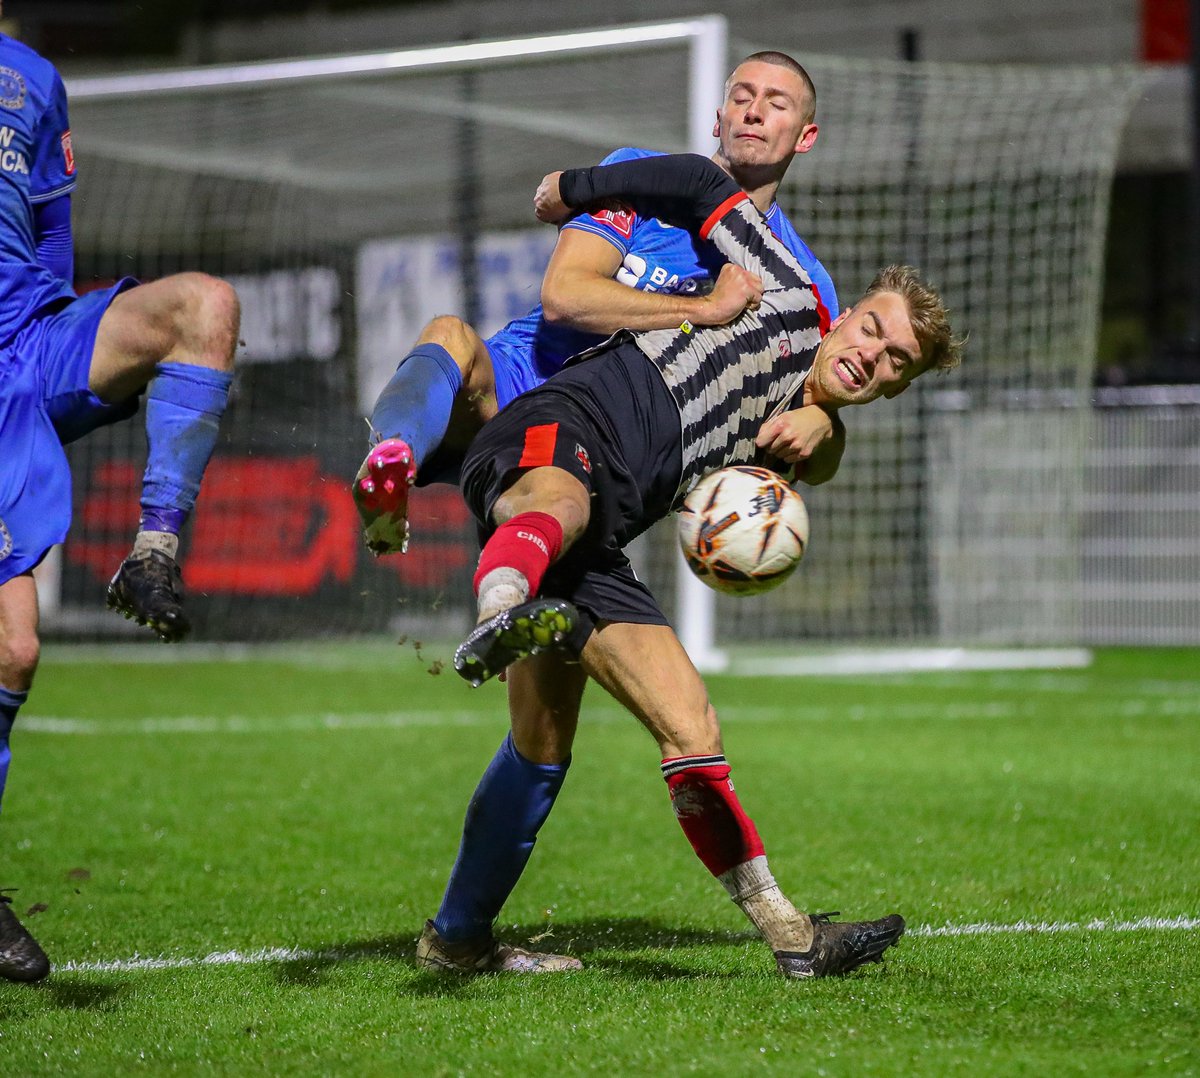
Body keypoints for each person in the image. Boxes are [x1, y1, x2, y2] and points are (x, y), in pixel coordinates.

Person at [414, 153, 963, 978]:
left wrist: (822, 428)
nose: (875, 355)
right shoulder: (783, 287)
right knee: (555, 503)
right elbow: (706, 188)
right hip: (562, 422)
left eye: (897, 364)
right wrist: (577, 187)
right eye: (873, 330)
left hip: (595, 546)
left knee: (671, 728)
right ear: (842, 315)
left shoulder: (788, 438)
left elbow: (820, 443)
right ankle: (501, 601)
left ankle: (787, 937)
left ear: (894, 388)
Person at [354, 51, 843, 556]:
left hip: (605, 447)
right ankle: (390, 460)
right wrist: (703, 309)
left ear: (806, 136)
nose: (753, 111)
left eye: (776, 103)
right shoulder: (636, 177)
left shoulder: (801, 280)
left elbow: (814, 435)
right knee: (448, 335)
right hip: (512, 385)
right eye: (741, 98)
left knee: (580, 599)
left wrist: (824, 424)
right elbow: (565, 297)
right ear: (717, 119)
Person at [0, 14, 240, 982]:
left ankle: (153, 551)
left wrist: (40, 377)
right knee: (13, 644)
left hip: (26, 343)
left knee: (205, 307)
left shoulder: (32, 77)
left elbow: (52, 224)